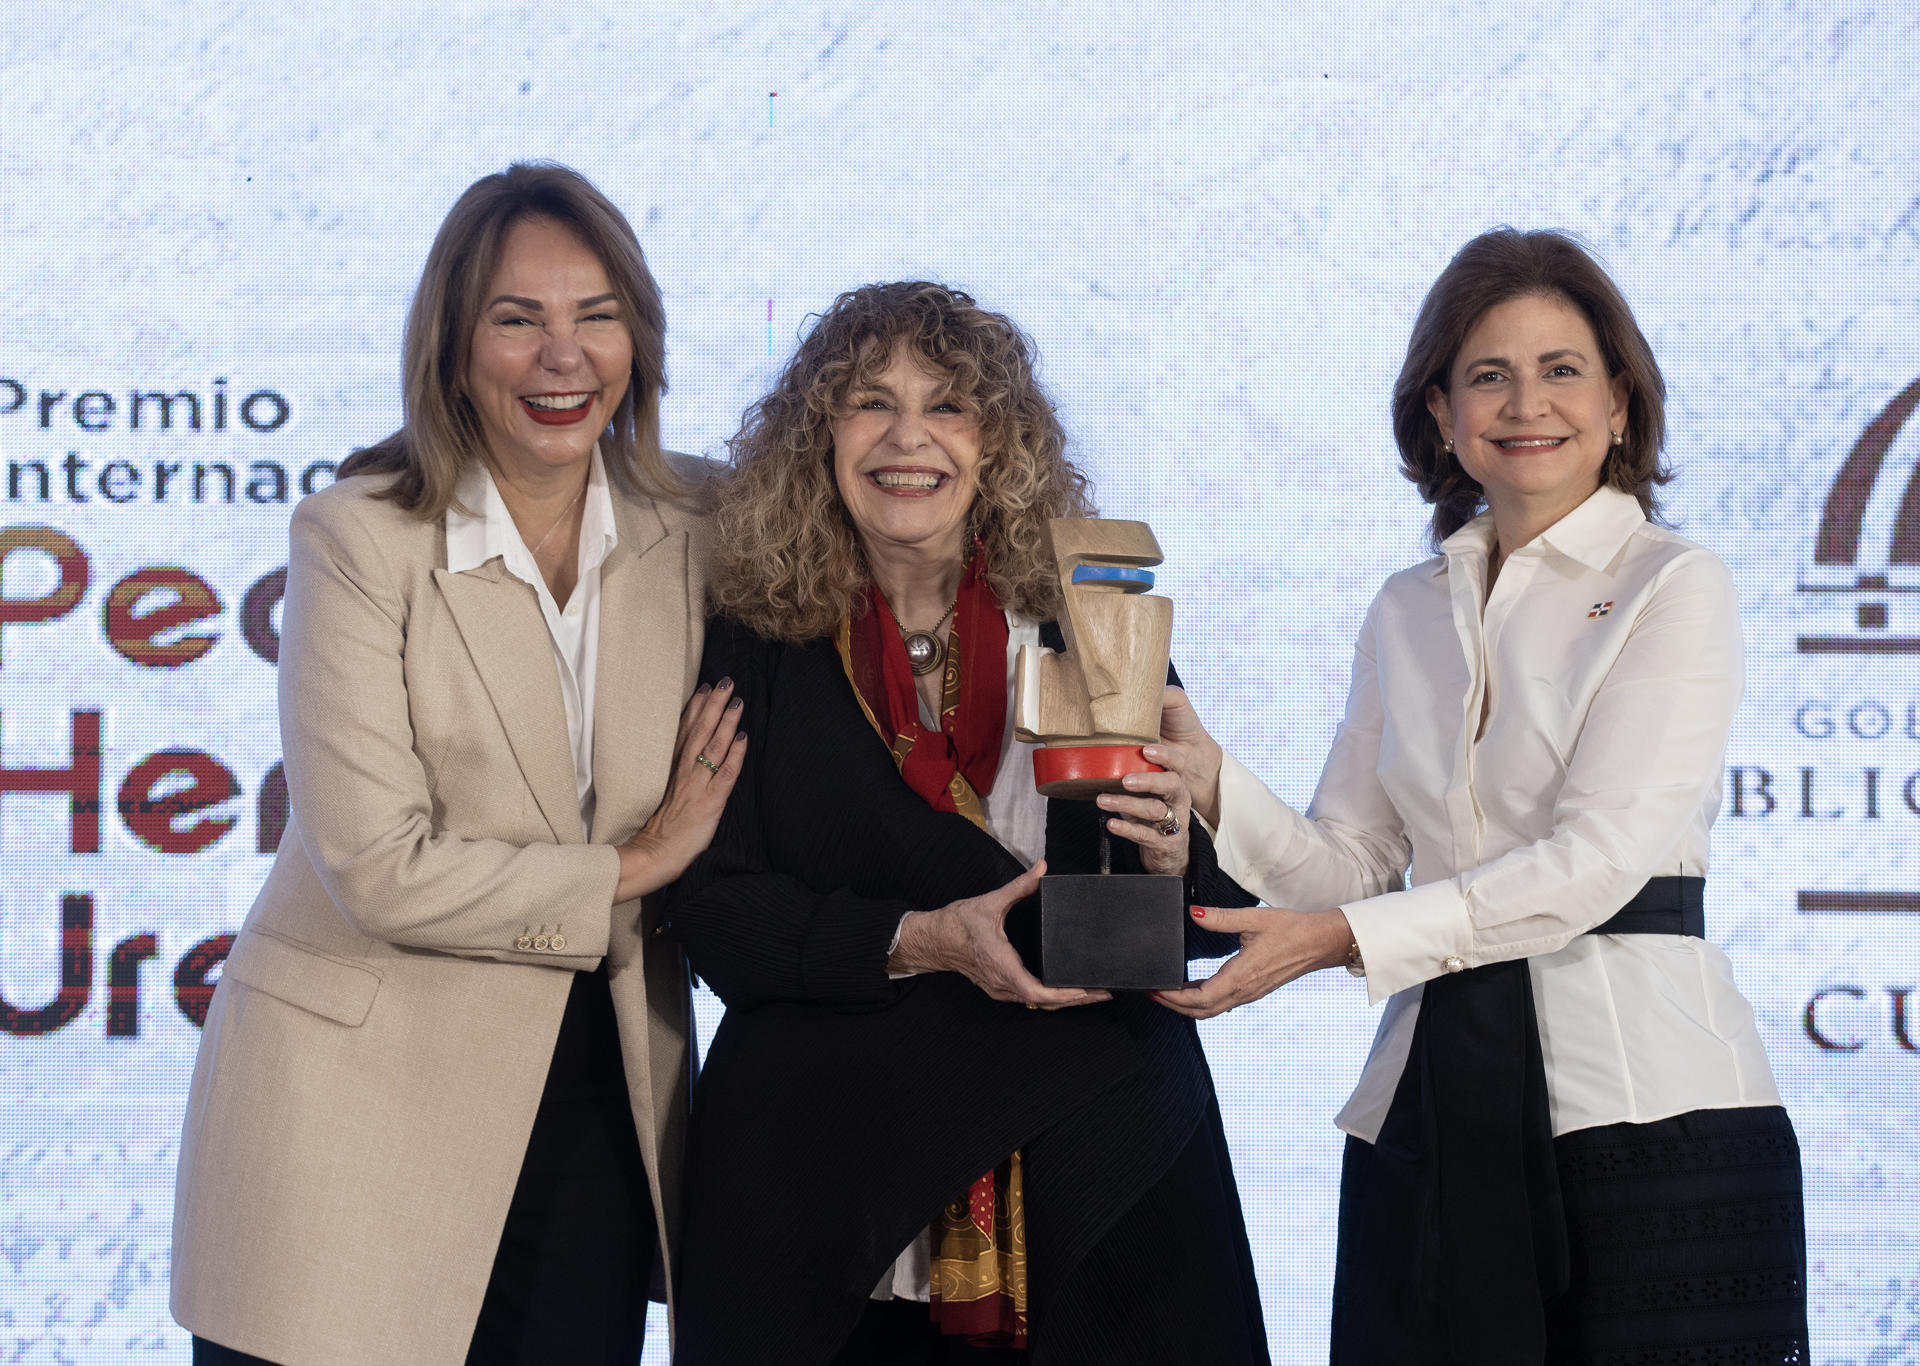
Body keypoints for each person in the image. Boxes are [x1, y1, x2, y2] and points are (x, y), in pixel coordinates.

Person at [1153, 228, 1808, 1362]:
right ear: (1442, 412)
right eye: (1488, 374)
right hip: (1429, 1117)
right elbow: (1350, 857)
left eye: (1562, 369)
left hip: (1647, 1111)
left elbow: (1597, 862)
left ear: (1619, 401)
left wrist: (1341, 938)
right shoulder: (1407, 607)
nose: (1526, 403)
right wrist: (1212, 778)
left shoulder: (1674, 584)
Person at [170, 162, 743, 1366]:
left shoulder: (702, 527)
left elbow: (917, 524)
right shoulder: (358, 538)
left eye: (597, 316)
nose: (563, 357)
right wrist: (636, 862)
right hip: (350, 1119)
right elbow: (379, 865)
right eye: (517, 318)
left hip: (591, 1105)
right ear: (451, 344)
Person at [665, 281, 1269, 1364]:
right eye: (868, 402)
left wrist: (1181, 851)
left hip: (1095, 1160)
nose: (909, 438)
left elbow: (1206, 919)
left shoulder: (1097, 617)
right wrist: (923, 939)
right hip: (834, 1177)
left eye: (949, 405)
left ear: (999, 442)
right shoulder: (753, 633)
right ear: (820, 437)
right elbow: (714, 916)